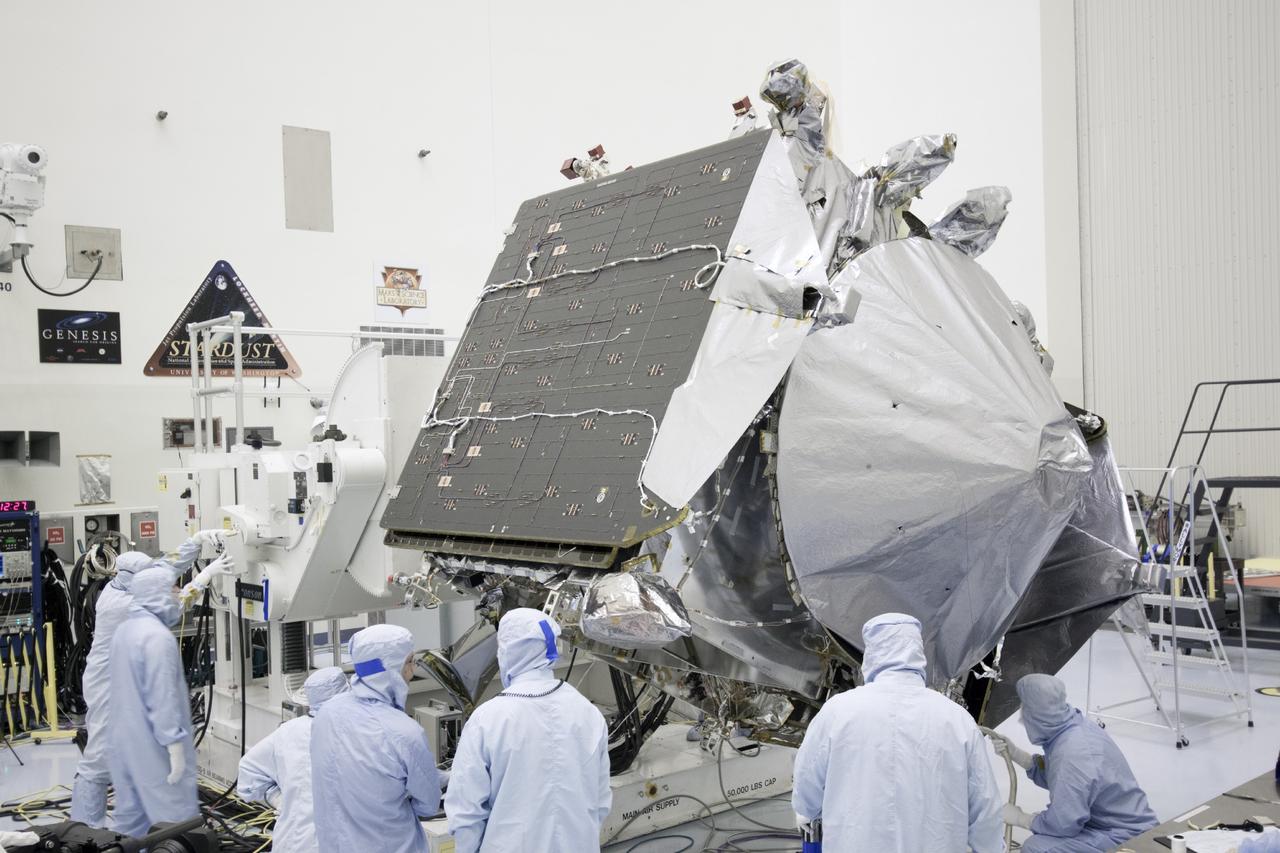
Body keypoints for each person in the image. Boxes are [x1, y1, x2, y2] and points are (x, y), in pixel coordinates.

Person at [792, 612, 1003, 853]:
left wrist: (810, 811)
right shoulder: (957, 720)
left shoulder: (836, 712)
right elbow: (985, 809)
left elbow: (806, 791)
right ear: (918, 653)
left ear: (871, 654)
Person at [69, 529, 226, 827]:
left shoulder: (130, 584)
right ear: (133, 579)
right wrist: (202, 580)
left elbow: (163, 568)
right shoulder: (121, 607)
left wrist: (195, 540)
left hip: (126, 684)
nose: (164, 583)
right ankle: (82, 828)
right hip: (106, 688)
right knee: (99, 760)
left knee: (128, 770)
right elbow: (174, 602)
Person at [445, 609, 610, 853]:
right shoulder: (587, 712)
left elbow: (466, 813)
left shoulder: (487, 720)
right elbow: (600, 803)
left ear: (508, 652)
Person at [311, 624, 441, 853]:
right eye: (410, 661)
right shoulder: (404, 732)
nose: (412, 670)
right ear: (391, 668)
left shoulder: (327, 713)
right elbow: (428, 806)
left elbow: (357, 775)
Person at [996, 673, 1157, 851]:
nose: (1021, 716)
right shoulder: (1073, 727)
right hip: (1112, 822)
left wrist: (1022, 819)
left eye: (1024, 708)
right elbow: (1062, 776)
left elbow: (1063, 824)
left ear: (1037, 714)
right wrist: (1019, 756)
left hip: (1126, 837)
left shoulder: (1071, 753)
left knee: (1037, 848)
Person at [105, 565, 201, 838]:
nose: (177, 593)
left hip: (124, 746)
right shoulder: (158, 638)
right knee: (176, 826)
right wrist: (173, 745)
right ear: (155, 592)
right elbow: (163, 697)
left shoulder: (125, 630)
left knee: (130, 830)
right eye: (172, 588)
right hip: (155, 748)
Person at [237, 667, 349, 853]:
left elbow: (247, 775)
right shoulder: (358, 732)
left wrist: (280, 799)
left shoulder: (289, 731)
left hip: (293, 841)